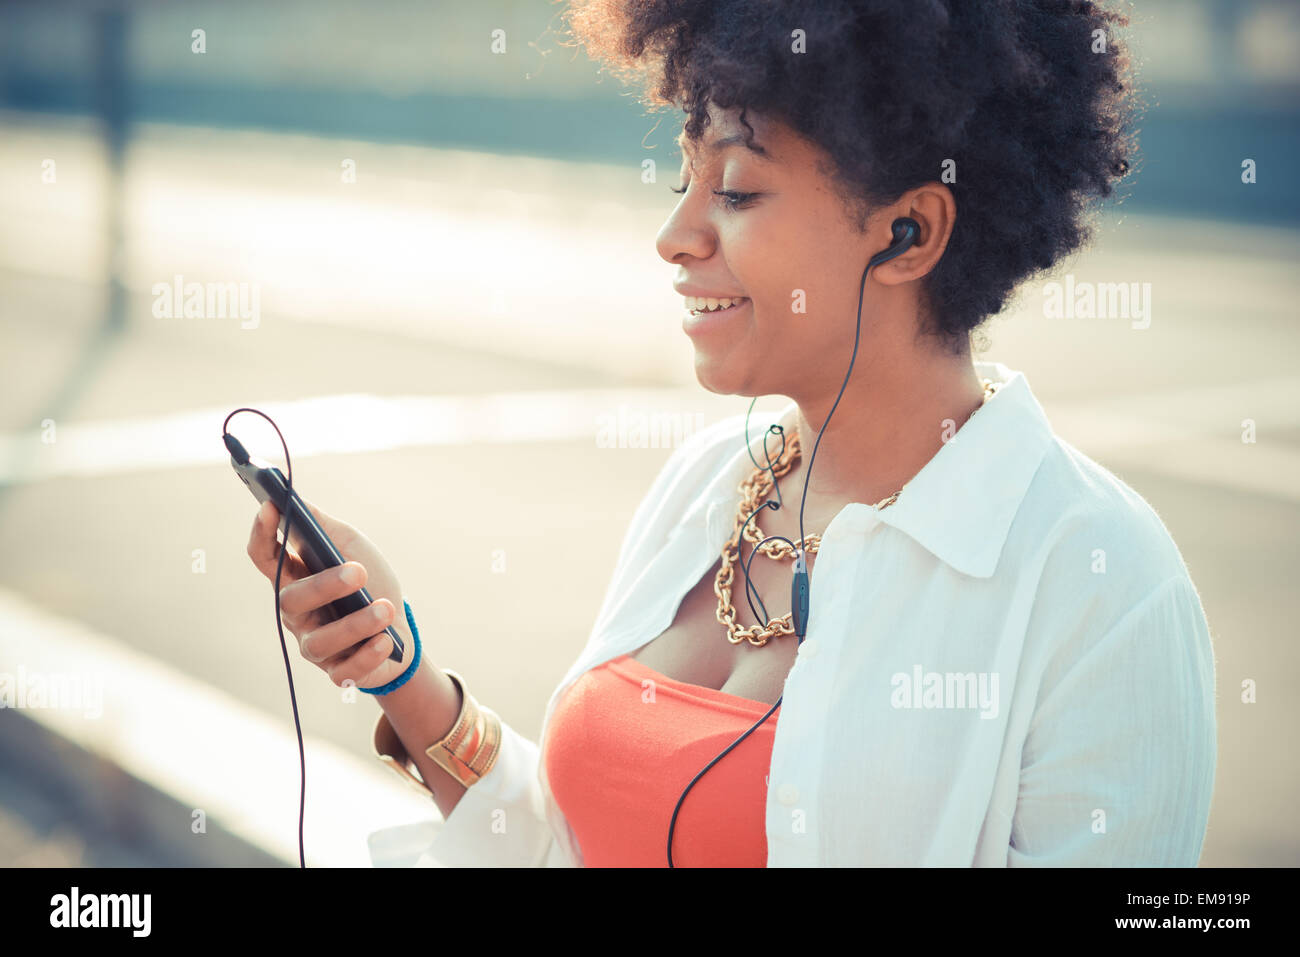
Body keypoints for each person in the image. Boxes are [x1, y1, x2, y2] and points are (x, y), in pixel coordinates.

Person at [245, 0, 1217, 866]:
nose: (674, 233)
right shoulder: (707, 484)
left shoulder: (1100, 579)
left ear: (909, 233)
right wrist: (401, 675)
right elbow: (578, 845)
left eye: (738, 190)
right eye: (682, 178)